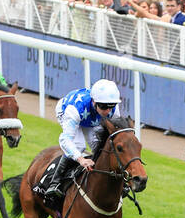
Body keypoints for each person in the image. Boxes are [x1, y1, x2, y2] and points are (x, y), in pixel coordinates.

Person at [35, 78, 122, 206]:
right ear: (94, 101)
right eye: (104, 107)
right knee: (78, 146)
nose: (108, 111)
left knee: (98, 146)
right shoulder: (75, 109)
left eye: (111, 106)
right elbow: (65, 140)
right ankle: (55, 182)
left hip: (91, 119)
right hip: (67, 111)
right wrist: (81, 160)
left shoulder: (112, 108)